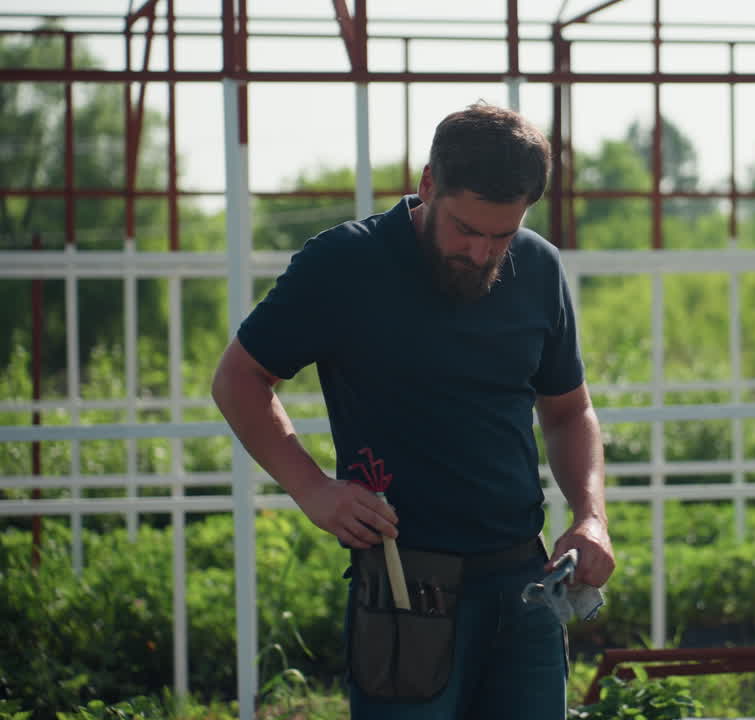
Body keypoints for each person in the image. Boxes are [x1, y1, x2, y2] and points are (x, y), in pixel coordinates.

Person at [210, 102, 614, 719]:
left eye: (501, 235)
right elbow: (239, 378)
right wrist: (314, 489)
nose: (482, 254)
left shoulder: (538, 266)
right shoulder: (344, 263)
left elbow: (567, 412)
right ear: (428, 184)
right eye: (465, 230)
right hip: (404, 589)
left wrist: (591, 517)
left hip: (527, 585)